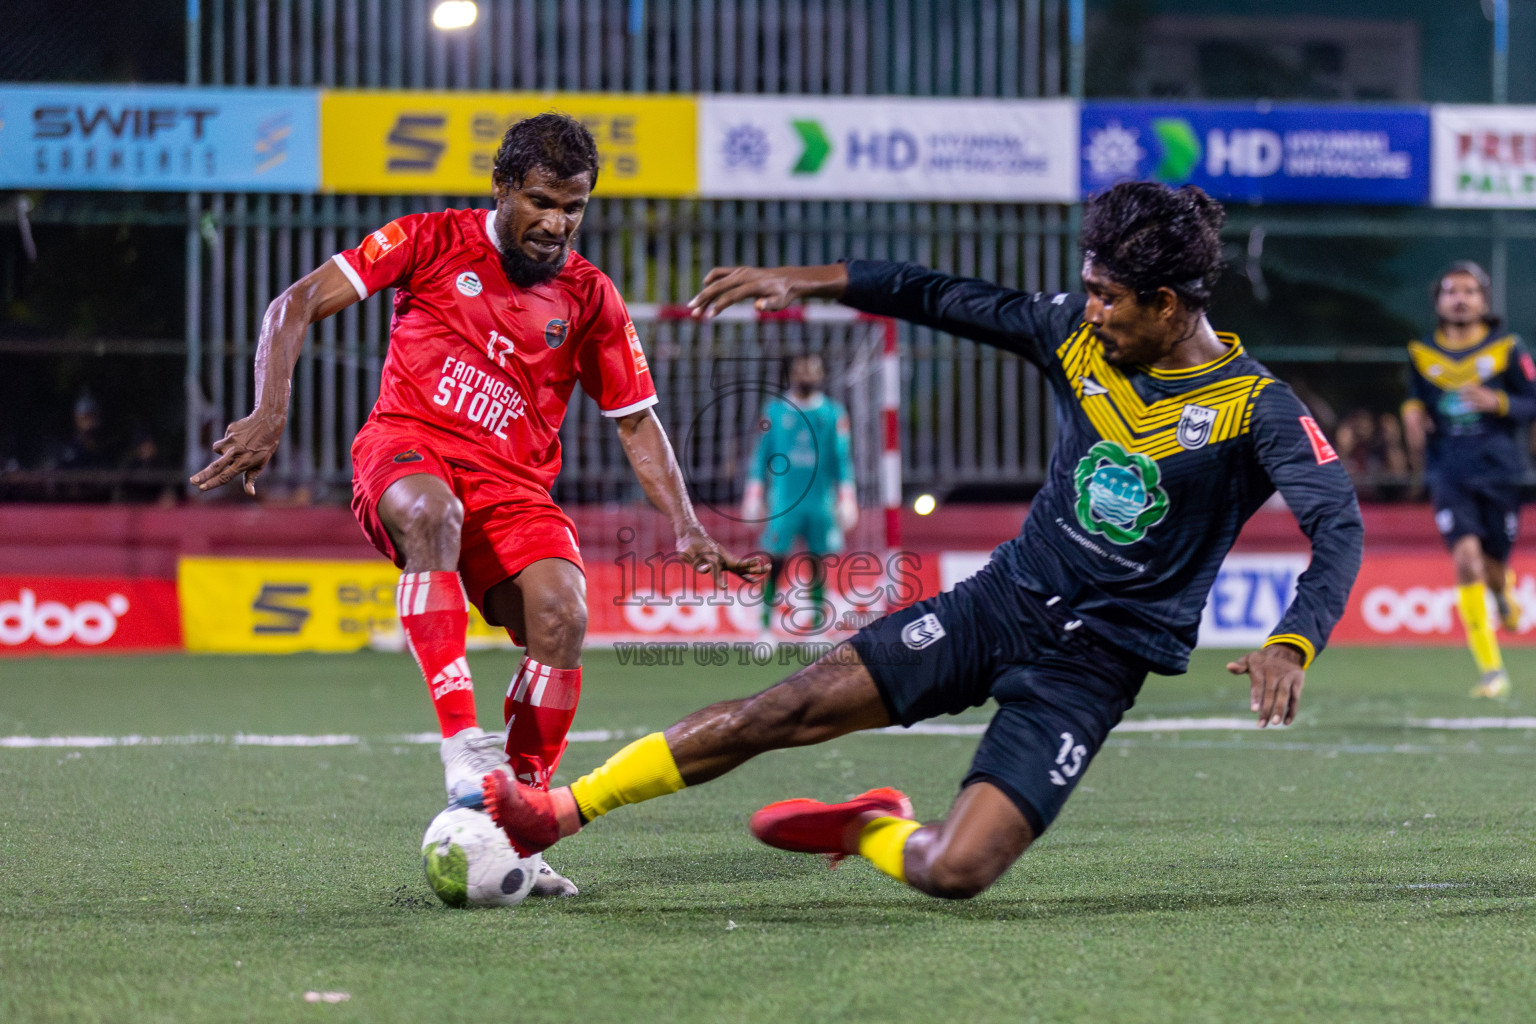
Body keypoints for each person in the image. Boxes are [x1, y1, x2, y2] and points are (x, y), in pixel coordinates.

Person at [475, 181, 1364, 901]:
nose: (1087, 310)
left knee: (956, 872)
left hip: (1092, 669)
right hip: (999, 605)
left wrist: (1293, 642)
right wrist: (805, 281)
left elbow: (1338, 528)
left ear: (1168, 305)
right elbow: (937, 295)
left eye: (1107, 296)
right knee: (777, 711)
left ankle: (867, 825)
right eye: (1087, 289)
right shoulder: (1077, 340)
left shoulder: (1256, 408)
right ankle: (560, 810)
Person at [191, 113, 761, 895]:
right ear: (501, 188)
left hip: (515, 486)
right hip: (408, 445)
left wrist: (689, 526)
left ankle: (516, 817)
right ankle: (463, 745)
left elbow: (636, 420)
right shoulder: (425, 240)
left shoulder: (590, 296)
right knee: (433, 516)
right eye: (540, 202)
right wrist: (269, 412)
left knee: (563, 614)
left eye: (574, 207)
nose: (557, 224)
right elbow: (292, 306)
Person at [1401, 261, 1536, 699]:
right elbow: (1415, 398)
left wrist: (1496, 400)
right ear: (1438, 301)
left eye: (1469, 291)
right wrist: (1412, 414)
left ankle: (1503, 594)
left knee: (1494, 568)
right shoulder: (1421, 352)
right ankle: (1491, 671)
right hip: (1448, 471)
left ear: (1483, 300)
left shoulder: (1508, 348)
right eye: (1451, 291)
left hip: (1500, 470)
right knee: (1465, 558)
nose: (1460, 298)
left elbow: (1531, 402)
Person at [743, 353, 858, 635]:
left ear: (821, 375)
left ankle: (817, 626)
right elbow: (761, 455)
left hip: (820, 502)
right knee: (774, 561)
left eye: (812, 370)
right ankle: (765, 626)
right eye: (801, 370)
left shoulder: (832, 414)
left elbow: (841, 460)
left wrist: (848, 496)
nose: (806, 376)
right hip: (783, 502)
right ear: (792, 374)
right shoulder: (774, 412)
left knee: (818, 562)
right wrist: (753, 493)